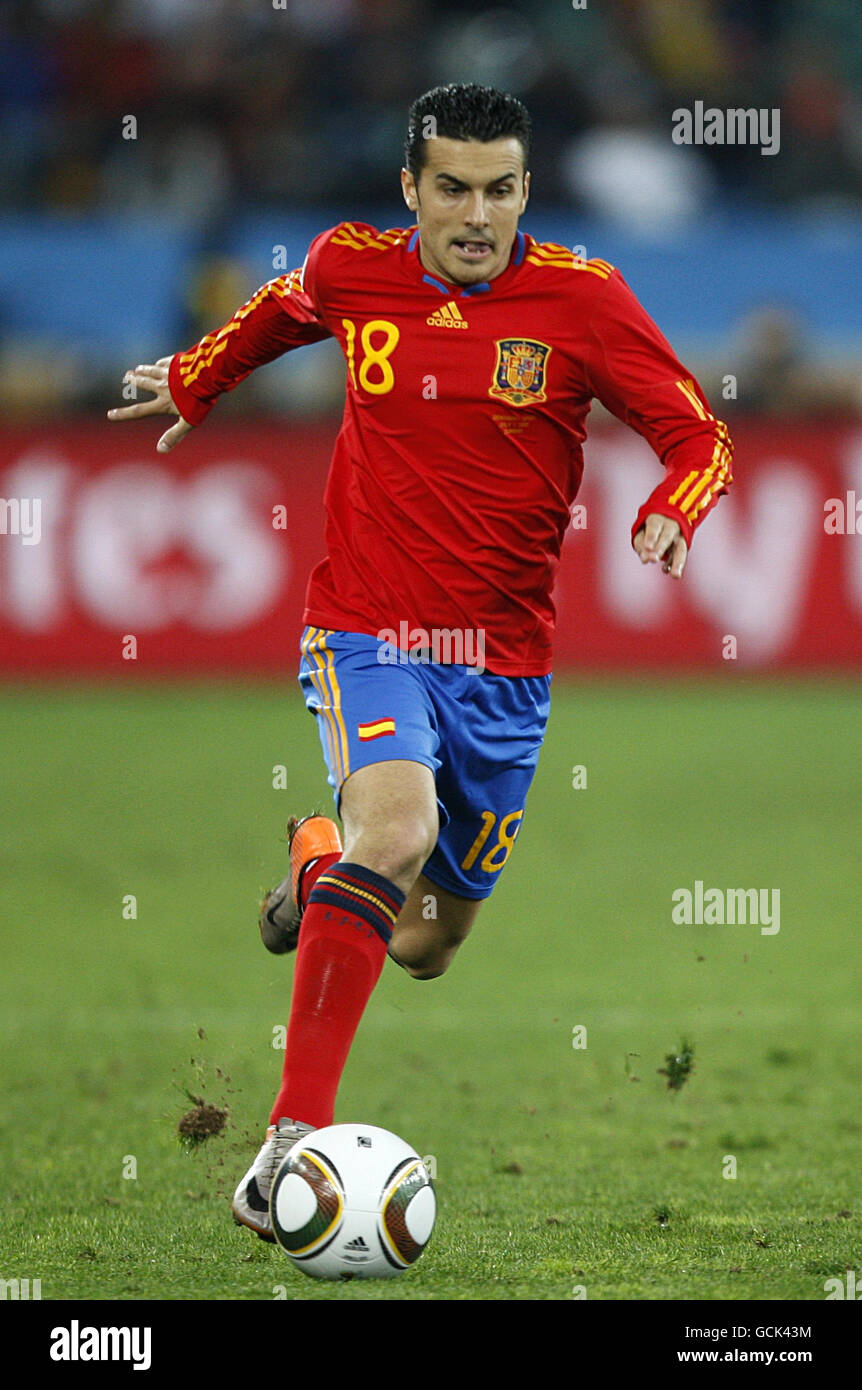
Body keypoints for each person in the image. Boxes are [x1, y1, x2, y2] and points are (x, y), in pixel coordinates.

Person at [108, 83, 733, 1242]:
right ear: (411, 188)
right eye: (452, 187)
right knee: (392, 835)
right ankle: (289, 1146)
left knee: (426, 941)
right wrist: (197, 377)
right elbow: (284, 308)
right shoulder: (355, 267)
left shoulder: (584, 301)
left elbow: (698, 431)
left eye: (500, 189)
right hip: (368, 630)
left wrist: (674, 509)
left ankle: (314, 864)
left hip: (506, 667)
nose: (476, 213)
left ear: (527, 192)